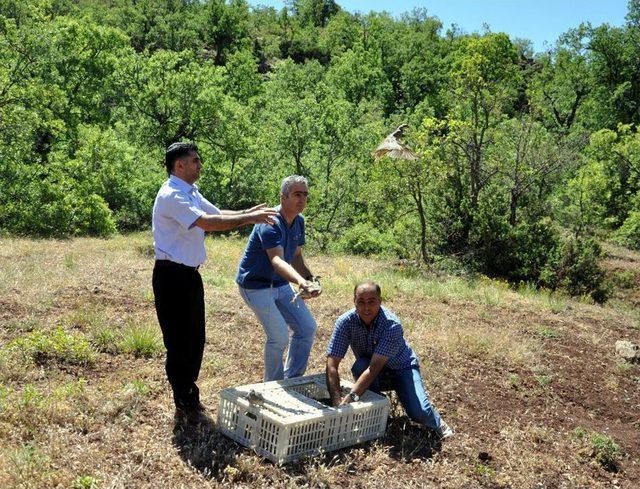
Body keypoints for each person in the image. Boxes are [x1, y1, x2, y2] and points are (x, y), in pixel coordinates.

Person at [152, 141, 278, 420]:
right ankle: (184, 401)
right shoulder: (172, 195)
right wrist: (249, 218)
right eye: (195, 161)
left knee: (195, 337)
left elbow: (218, 214)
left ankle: (189, 394)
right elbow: (207, 222)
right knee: (178, 340)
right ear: (179, 165)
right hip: (171, 276)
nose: (200, 165)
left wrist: (249, 215)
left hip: (189, 275)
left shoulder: (190, 191)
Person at [325, 281, 454, 439]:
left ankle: (436, 421)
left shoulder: (391, 325)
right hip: (370, 369)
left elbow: (374, 368)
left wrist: (351, 398)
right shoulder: (345, 322)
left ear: (380, 301)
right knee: (360, 366)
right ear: (354, 302)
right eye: (361, 302)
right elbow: (332, 365)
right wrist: (337, 404)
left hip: (401, 368)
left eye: (371, 302)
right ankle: (379, 413)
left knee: (419, 412)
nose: (366, 308)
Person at [236, 175, 321, 382]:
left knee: (307, 328)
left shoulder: (299, 221)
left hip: (280, 283)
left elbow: (297, 257)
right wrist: (301, 282)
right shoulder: (270, 221)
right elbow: (278, 261)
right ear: (283, 197)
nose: (302, 199)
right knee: (279, 337)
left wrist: (311, 279)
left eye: (305, 195)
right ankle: (272, 385)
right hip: (256, 285)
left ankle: (292, 379)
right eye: (297, 194)